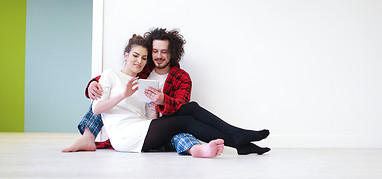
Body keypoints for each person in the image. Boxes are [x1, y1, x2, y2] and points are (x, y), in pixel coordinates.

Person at [65, 28, 270, 155]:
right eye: (154, 52)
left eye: (164, 51)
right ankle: (237, 137)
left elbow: (176, 107)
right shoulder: (141, 72)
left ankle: (235, 140)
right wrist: (92, 84)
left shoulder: (181, 77)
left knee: (190, 111)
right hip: (139, 130)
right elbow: (112, 82)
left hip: (158, 123)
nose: (158, 56)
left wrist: (161, 102)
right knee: (187, 119)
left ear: (172, 53)